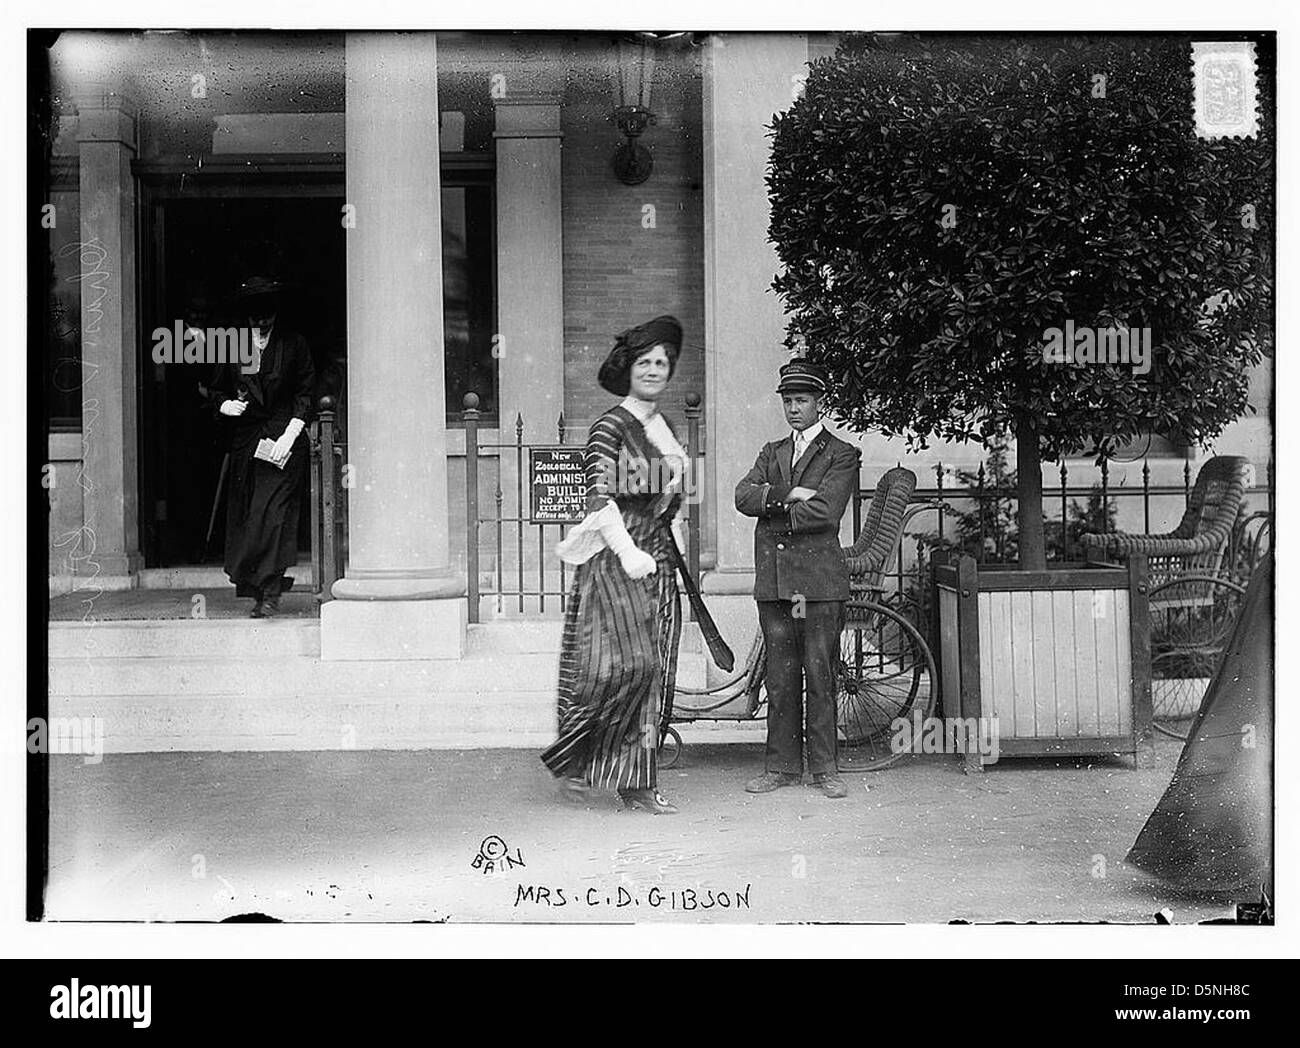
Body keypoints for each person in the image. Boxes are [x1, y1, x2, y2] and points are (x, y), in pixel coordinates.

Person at [540, 315, 688, 815]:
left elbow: (671, 498)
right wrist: (628, 552)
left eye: (662, 363)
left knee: (657, 669)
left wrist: (668, 550)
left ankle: (636, 783)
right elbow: (597, 499)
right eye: (645, 362)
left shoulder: (662, 427)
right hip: (618, 560)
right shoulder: (610, 426)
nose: (653, 370)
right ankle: (578, 759)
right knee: (626, 666)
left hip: (660, 560)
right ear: (628, 369)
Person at [735, 359, 860, 799]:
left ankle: (825, 769)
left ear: (819, 403)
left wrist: (772, 507)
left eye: (801, 401)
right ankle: (782, 768)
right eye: (788, 401)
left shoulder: (842, 454)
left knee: (820, 673)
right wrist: (789, 494)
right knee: (781, 677)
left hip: (819, 585)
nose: (793, 409)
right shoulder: (772, 452)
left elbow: (825, 511)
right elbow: (741, 496)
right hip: (774, 584)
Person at [205, 276, 315, 618]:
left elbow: (305, 393)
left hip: (283, 445)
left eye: (267, 315)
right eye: (255, 315)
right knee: (250, 519)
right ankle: (258, 587)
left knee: (275, 517)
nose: (262, 321)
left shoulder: (294, 344)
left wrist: (290, 434)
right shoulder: (233, 346)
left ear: (275, 313)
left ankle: (270, 590)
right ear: (247, 315)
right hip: (247, 445)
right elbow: (215, 389)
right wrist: (223, 405)